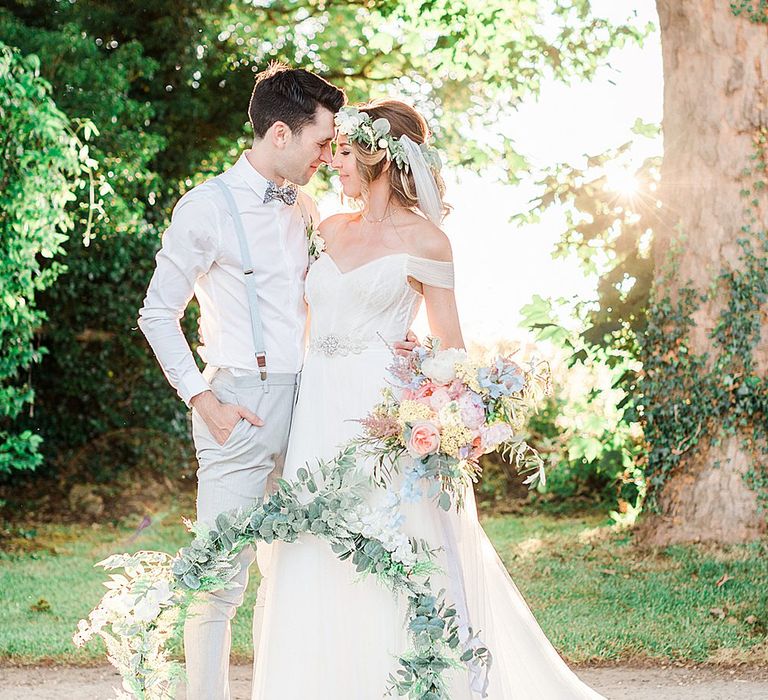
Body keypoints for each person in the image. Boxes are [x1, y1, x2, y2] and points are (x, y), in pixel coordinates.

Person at [251, 100, 606, 699]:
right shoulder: (327, 230)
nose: (333, 164)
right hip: (318, 407)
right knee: (316, 548)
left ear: (377, 156)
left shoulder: (429, 242)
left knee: (394, 542)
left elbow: (452, 349)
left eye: (342, 152)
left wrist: (439, 411)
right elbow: (299, 319)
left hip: (384, 416)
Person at [137, 63, 345, 700]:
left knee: (297, 569)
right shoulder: (205, 208)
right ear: (280, 134)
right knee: (219, 578)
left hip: (309, 404)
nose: (328, 156)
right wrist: (204, 401)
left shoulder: (305, 207)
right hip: (238, 404)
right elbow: (157, 313)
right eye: (321, 142)